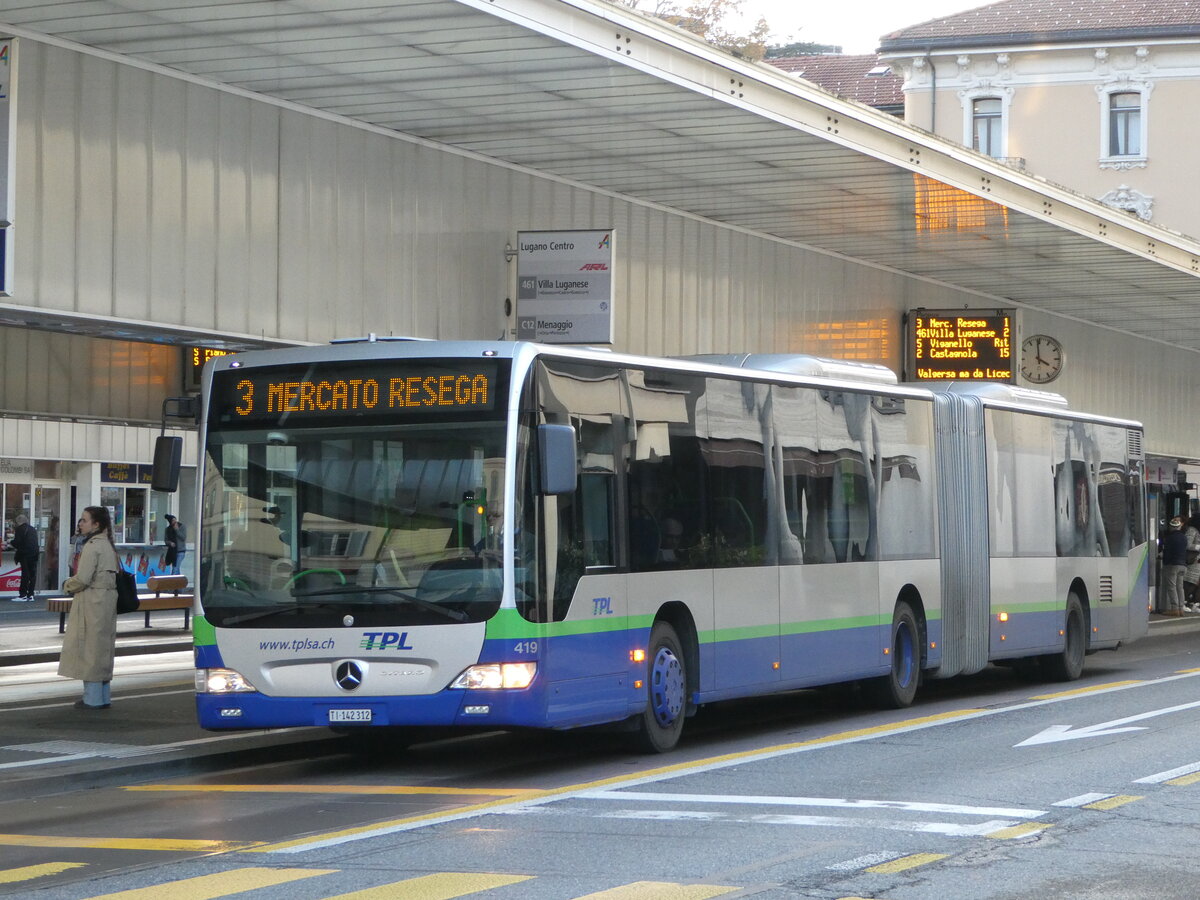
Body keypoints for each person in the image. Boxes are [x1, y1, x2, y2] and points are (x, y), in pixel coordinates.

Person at [58, 506, 120, 709]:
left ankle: (92, 699)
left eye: (84, 520)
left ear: (96, 524)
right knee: (102, 649)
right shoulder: (108, 545)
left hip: (91, 601)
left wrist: (67, 585)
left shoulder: (92, 546)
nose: (80, 523)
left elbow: (83, 578)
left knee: (89, 649)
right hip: (106, 601)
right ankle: (103, 697)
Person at [1160, 516, 1189, 618]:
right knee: (1180, 587)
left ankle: (1174, 609)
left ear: (1171, 527)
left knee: (1172, 587)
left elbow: (1167, 552)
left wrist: (1164, 561)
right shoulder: (1184, 537)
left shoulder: (1170, 538)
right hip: (1183, 565)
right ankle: (1181, 609)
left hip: (1173, 565)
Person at [7, 513, 39, 601]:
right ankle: (31, 595)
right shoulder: (32, 529)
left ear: (18, 522)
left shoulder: (20, 529)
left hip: (25, 554)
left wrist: (11, 542)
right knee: (32, 575)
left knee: (25, 574)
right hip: (35, 553)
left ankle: (23, 595)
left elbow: (17, 542)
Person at [1184, 514, 1200, 612]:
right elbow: (1187, 544)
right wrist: (1198, 547)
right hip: (1192, 561)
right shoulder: (1192, 530)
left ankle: (1194, 603)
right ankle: (1184, 601)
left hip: (1197, 561)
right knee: (1190, 582)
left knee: (1194, 583)